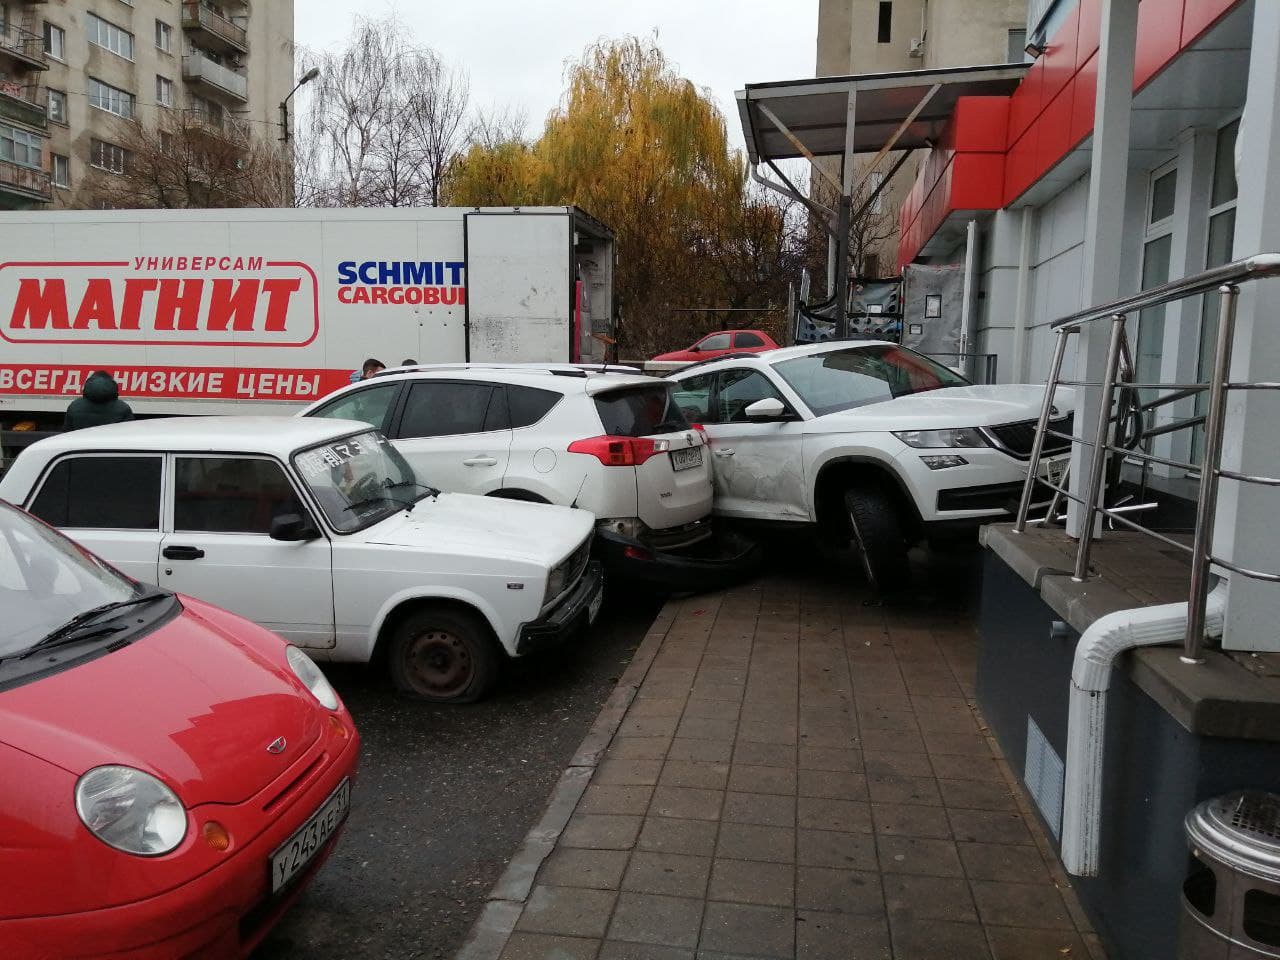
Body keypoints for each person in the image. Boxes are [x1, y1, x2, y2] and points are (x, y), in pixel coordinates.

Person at [64, 371, 133, 431]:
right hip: (112, 446)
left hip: (81, 445)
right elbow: (129, 434)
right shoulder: (124, 408)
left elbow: (67, 433)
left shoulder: (74, 407)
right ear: (112, 385)